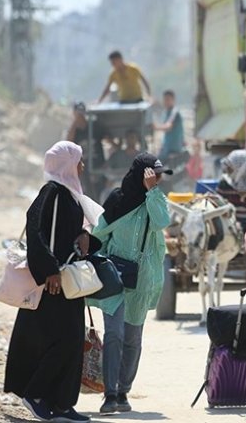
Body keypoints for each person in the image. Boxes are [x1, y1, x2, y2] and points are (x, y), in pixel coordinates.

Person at [4, 141, 104, 423]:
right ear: (67, 165)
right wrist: (49, 270)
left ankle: (61, 403)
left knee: (72, 341)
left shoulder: (70, 195)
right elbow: (36, 230)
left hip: (68, 281)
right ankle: (35, 395)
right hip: (53, 283)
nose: (82, 166)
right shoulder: (52, 193)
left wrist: (87, 239)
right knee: (60, 341)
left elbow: (69, 234)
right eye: (79, 161)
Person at [88, 153, 171, 415]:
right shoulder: (117, 199)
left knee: (132, 338)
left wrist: (152, 192)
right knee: (114, 334)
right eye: (153, 175)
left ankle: (123, 390)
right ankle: (109, 393)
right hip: (115, 277)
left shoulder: (155, 200)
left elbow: (162, 223)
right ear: (140, 173)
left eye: (159, 176)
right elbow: (99, 234)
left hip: (142, 279)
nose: (157, 179)